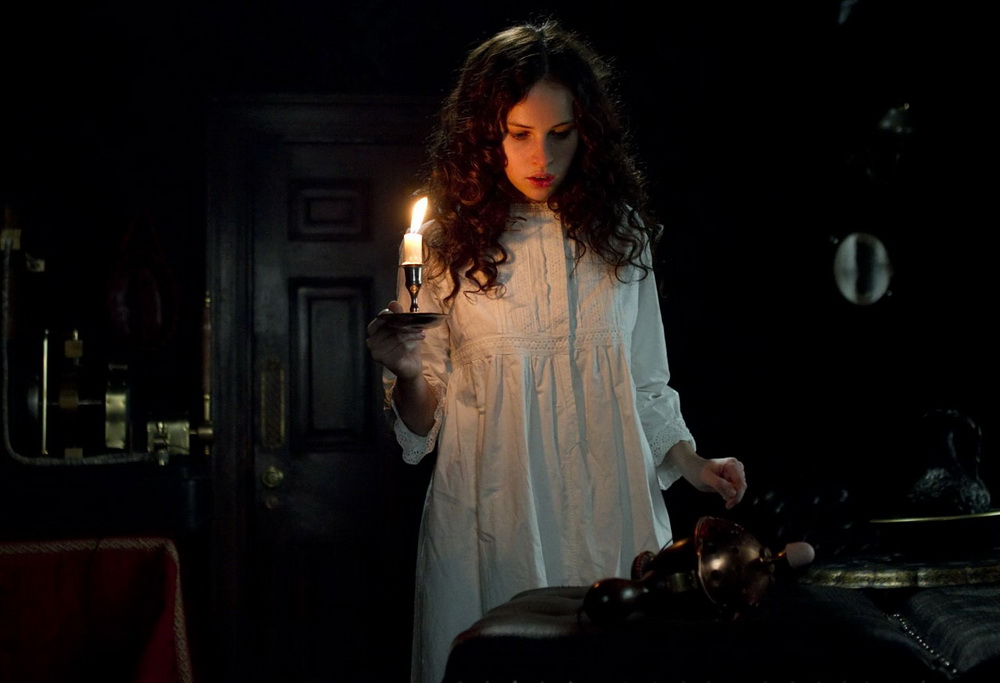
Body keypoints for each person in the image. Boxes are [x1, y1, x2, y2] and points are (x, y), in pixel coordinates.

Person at [366, 19, 747, 683]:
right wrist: (408, 374)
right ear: (486, 134)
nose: (540, 155)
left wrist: (693, 462)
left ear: (586, 133)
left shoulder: (620, 236)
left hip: (609, 506)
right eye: (519, 133)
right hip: (492, 514)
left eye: (560, 133)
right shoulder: (446, 250)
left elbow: (644, 381)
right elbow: (423, 428)